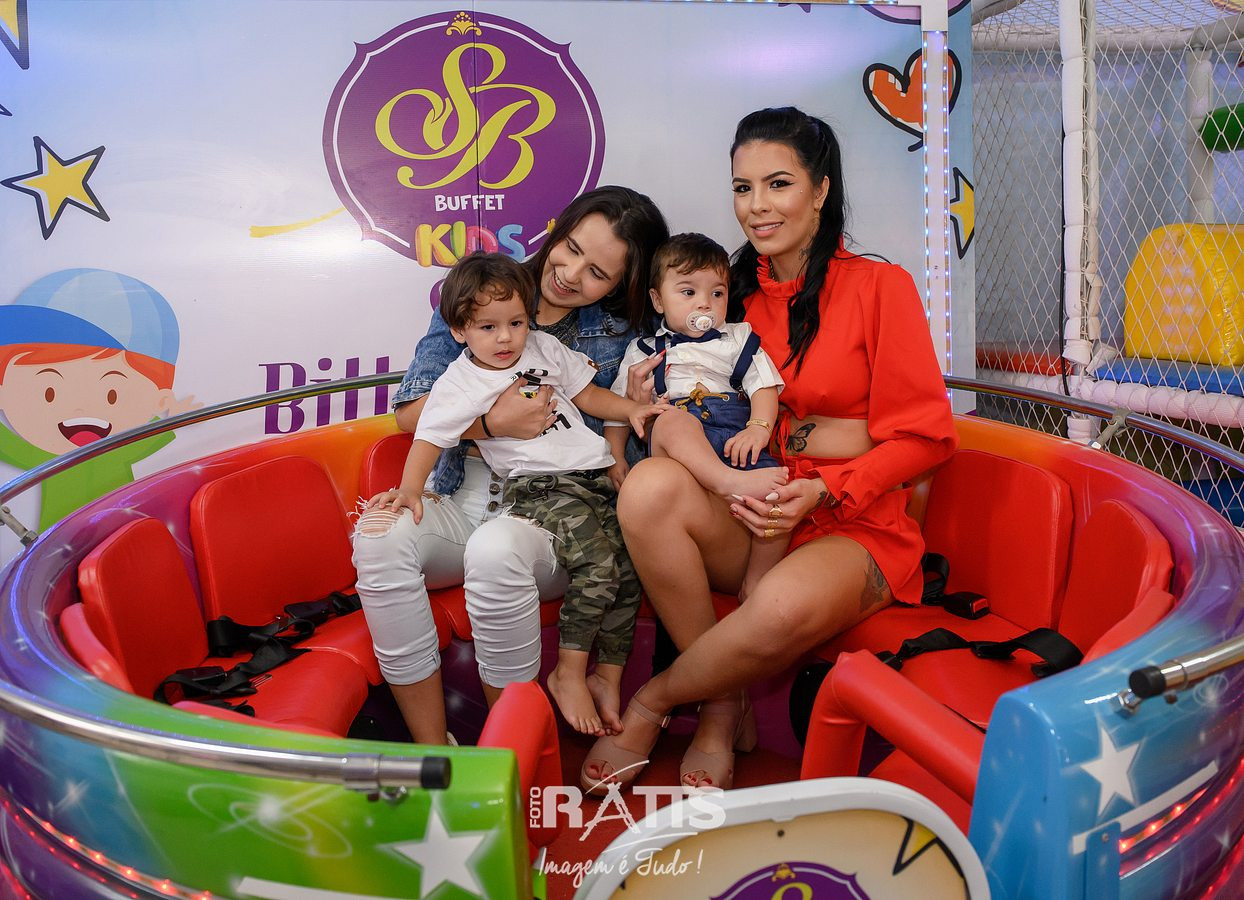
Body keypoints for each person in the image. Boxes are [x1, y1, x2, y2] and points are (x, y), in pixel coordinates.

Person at [580, 107, 958, 793]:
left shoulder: (880, 286)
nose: (757, 205)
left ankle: (655, 704)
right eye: (742, 187)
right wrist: (640, 398)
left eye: (778, 184)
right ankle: (725, 704)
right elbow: (691, 396)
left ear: (820, 190)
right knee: (649, 488)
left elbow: (927, 438)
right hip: (754, 503)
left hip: (850, 521)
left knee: (778, 608)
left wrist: (826, 485)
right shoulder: (728, 293)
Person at [352, 186, 669, 745]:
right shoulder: (480, 293)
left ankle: (512, 750)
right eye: (571, 248)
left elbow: (604, 407)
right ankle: (436, 752)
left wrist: (634, 413)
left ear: (622, 284)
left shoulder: (616, 333)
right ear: (557, 230)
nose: (569, 274)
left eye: (598, 272)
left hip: (552, 514)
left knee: (496, 550)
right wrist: (494, 423)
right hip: (466, 497)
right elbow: (414, 413)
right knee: (377, 538)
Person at [605, 232, 789, 603]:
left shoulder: (738, 338)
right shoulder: (643, 351)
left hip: (734, 435)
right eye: (688, 292)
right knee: (672, 420)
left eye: (717, 293)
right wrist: (615, 455)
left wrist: (758, 428)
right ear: (658, 300)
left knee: (777, 497)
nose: (705, 304)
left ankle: (756, 580)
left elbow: (763, 386)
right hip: (681, 446)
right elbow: (619, 410)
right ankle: (723, 480)